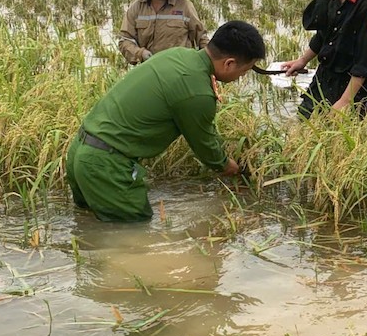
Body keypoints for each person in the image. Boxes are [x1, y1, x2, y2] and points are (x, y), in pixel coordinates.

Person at [66, 21, 265, 222]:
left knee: (89, 225)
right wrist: (232, 168)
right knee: (133, 235)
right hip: (106, 166)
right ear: (229, 63)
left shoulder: (178, 55)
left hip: (80, 152)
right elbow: (206, 147)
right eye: (244, 71)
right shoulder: (197, 93)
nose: (241, 77)